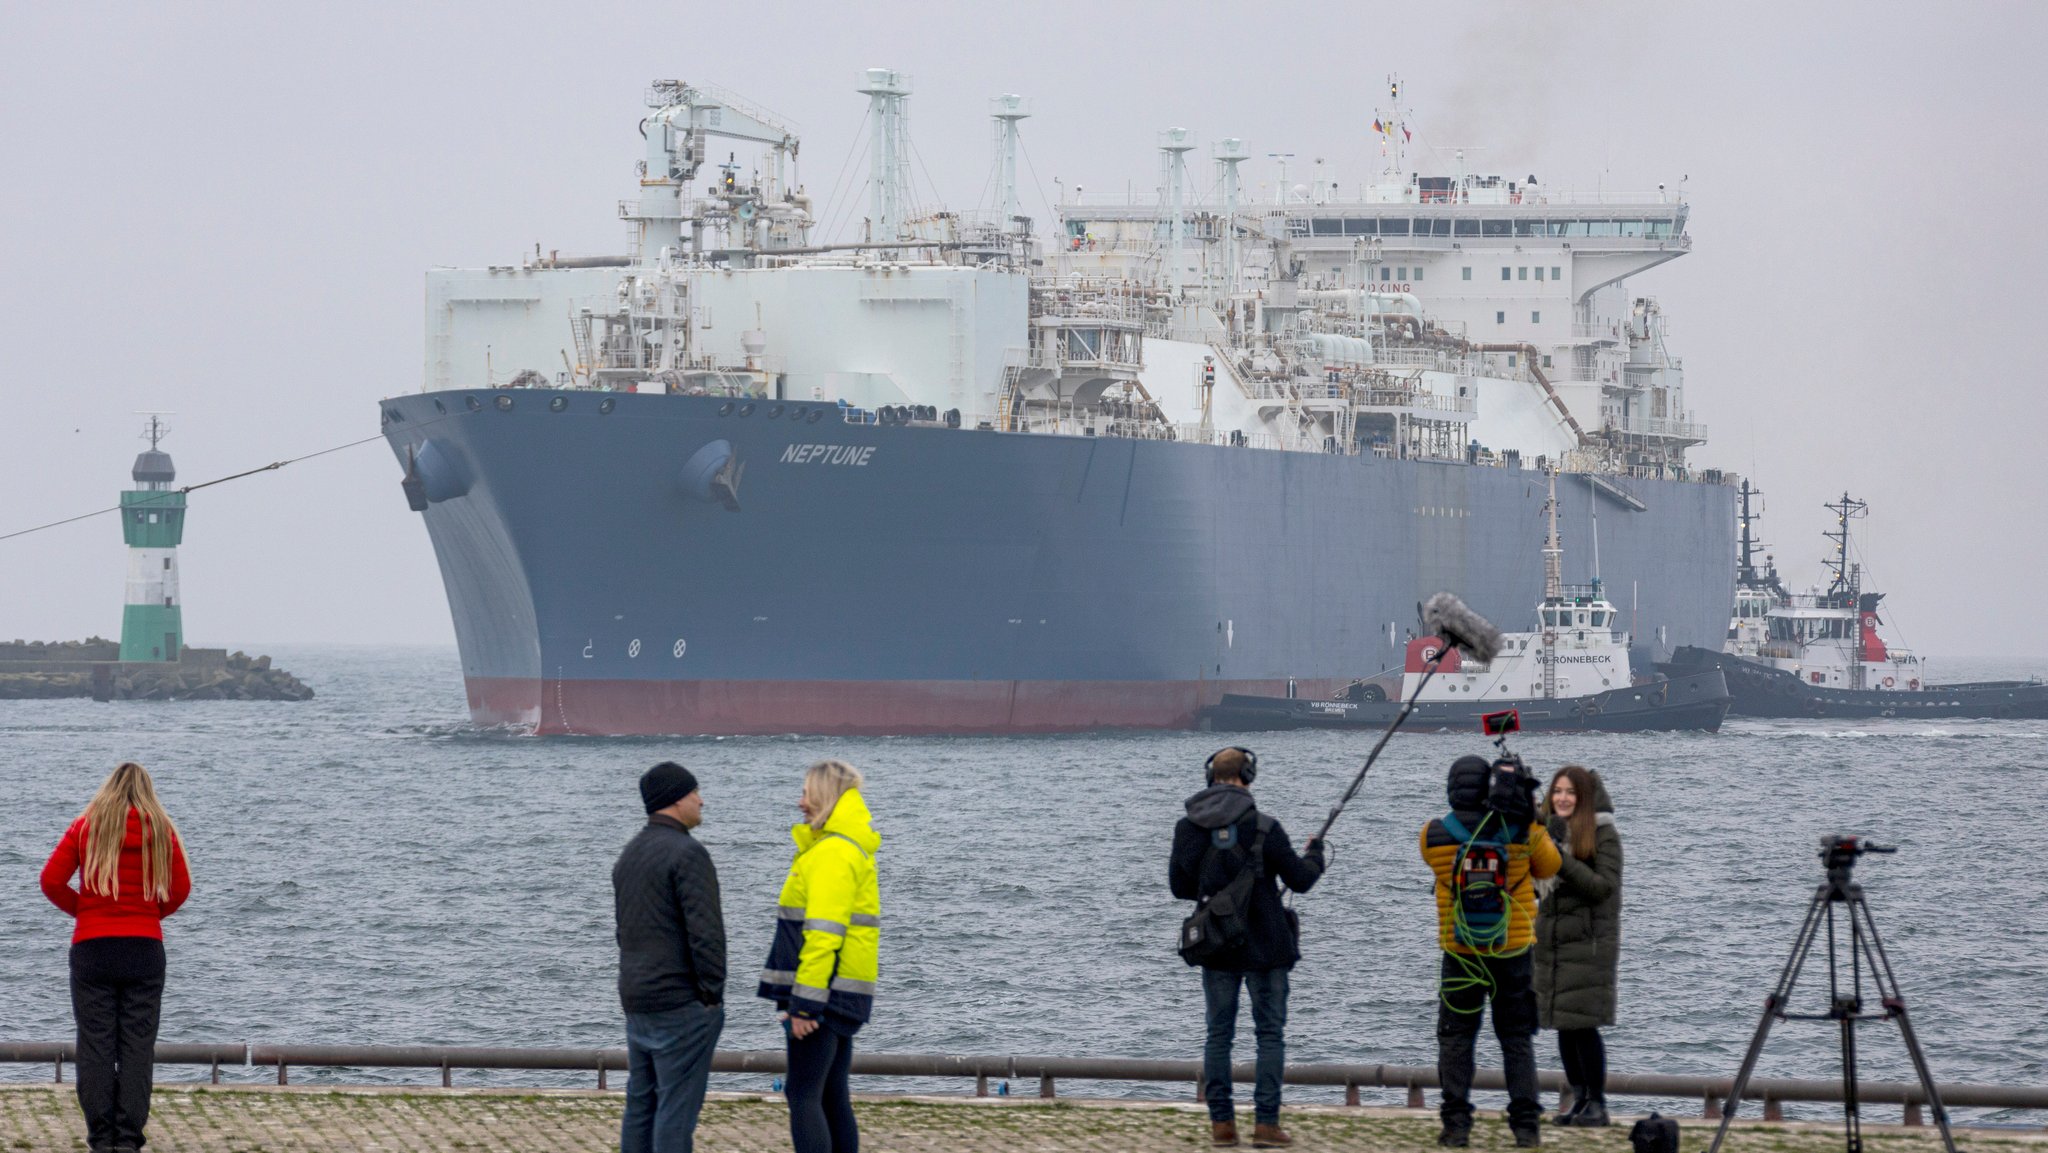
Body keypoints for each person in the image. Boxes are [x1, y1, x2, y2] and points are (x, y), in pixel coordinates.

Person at [1170, 746, 1326, 1149]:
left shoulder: (1187, 829)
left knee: (1218, 1034)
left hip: (1217, 945)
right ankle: (1266, 1125)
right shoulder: (1264, 827)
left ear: (1211, 777)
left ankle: (1222, 1125)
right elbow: (1301, 880)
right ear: (1248, 775)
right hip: (1267, 947)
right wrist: (1315, 855)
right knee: (1269, 1035)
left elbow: (1179, 888)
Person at [40, 761, 192, 1153]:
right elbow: (180, 889)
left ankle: (100, 1139)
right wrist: (148, 915)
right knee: (137, 1050)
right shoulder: (161, 829)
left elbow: (50, 881)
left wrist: (87, 913)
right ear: (148, 791)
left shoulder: (85, 826)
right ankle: (128, 1141)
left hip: (93, 949)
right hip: (144, 949)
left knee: (95, 1047)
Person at [1421, 755, 1562, 1148]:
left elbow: (1436, 868)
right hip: (1512, 951)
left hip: (1460, 953)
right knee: (1516, 1039)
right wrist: (1531, 816)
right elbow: (1549, 866)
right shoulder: (1520, 831)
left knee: (1456, 1038)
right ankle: (1526, 1127)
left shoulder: (1432, 834)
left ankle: (1455, 1126)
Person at [756, 759, 880, 1153]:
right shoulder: (846, 847)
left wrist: (805, 1006)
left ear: (826, 796)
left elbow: (823, 935)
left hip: (822, 997)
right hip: (839, 993)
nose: (800, 802)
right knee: (831, 1094)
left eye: (807, 793)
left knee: (803, 1094)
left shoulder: (831, 853)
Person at [613, 761, 726, 1153]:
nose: (701, 800)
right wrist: (711, 996)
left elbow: (622, 932)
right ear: (677, 799)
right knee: (675, 1113)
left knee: (641, 1106)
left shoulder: (629, 855)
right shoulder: (688, 854)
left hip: (638, 999)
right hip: (681, 1005)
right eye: (695, 792)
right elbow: (706, 935)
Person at [1533, 765, 1623, 1128]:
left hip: (1588, 945)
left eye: (1570, 792)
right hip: (1555, 942)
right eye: (1557, 792)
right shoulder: (1549, 833)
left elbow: (1603, 886)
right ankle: (1580, 1099)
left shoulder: (1603, 833)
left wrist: (1561, 859)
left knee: (1584, 1027)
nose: (1563, 798)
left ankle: (1597, 1103)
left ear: (1583, 798)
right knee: (1564, 1026)